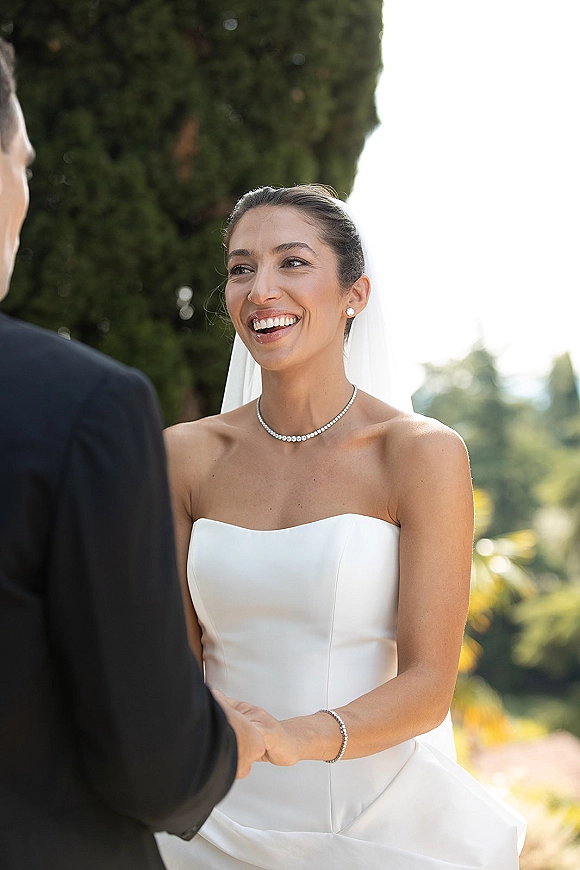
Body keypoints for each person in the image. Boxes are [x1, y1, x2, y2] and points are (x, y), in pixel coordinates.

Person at [156, 183, 525, 869]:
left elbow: (427, 684)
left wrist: (298, 738)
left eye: (292, 262)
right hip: (209, 820)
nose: (260, 288)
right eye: (241, 267)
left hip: (370, 823)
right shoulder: (184, 455)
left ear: (356, 293)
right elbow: (175, 663)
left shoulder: (419, 454)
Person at [0, 39, 264, 870]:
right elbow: (153, 756)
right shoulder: (88, 409)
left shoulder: (422, 453)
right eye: (25, 164)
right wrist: (232, 744)